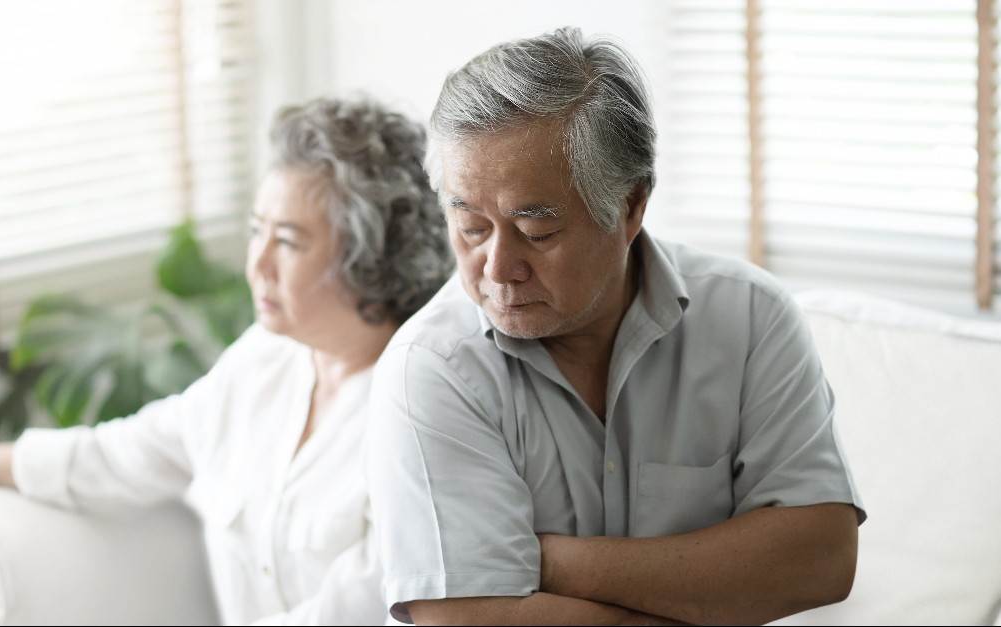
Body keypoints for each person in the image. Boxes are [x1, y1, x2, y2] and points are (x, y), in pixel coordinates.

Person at [0, 96, 453, 626]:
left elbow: (365, 607)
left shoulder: (416, 405)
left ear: (369, 257)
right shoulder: (263, 363)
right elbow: (115, 456)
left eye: (290, 242)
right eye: (255, 232)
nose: (258, 264)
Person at [365, 26, 866, 626]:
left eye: (537, 232)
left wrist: (542, 560)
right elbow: (465, 615)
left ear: (631, 206)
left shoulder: (750, 316)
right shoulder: (432, 367)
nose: (498, 269)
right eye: (471, 227)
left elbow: (821, 559)